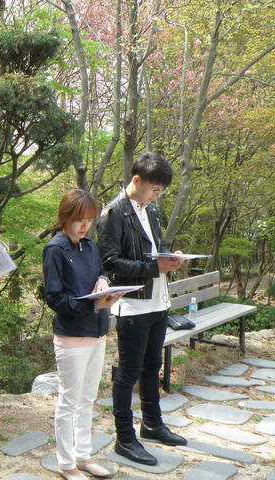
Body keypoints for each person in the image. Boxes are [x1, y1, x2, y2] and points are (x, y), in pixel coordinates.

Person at [97, 152, 187, 466]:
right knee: (128, 372)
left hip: (158, 300)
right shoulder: (113, 213)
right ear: (136, 180)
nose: (157, 195)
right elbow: (110, 263)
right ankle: (125, 438)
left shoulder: (151, 210)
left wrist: (168, 258)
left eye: (160, 191)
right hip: (132, 304)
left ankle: (152, 424)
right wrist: (154, 266)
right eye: (154, 189)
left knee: (152, 367)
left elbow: (151, 253)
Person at [43, 190, 121, 480]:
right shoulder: (55, 249)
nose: (84, 226)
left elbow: (102, 273)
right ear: (65, 218)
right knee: (69, 400)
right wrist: (90, 304)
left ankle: (84, 456)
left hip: (97, 331)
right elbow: (54, 297)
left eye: (89, 220)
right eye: (79, 220)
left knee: (88, 398)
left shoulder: (90, 245)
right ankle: (66, 463)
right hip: (72, 336)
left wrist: (103, 282)